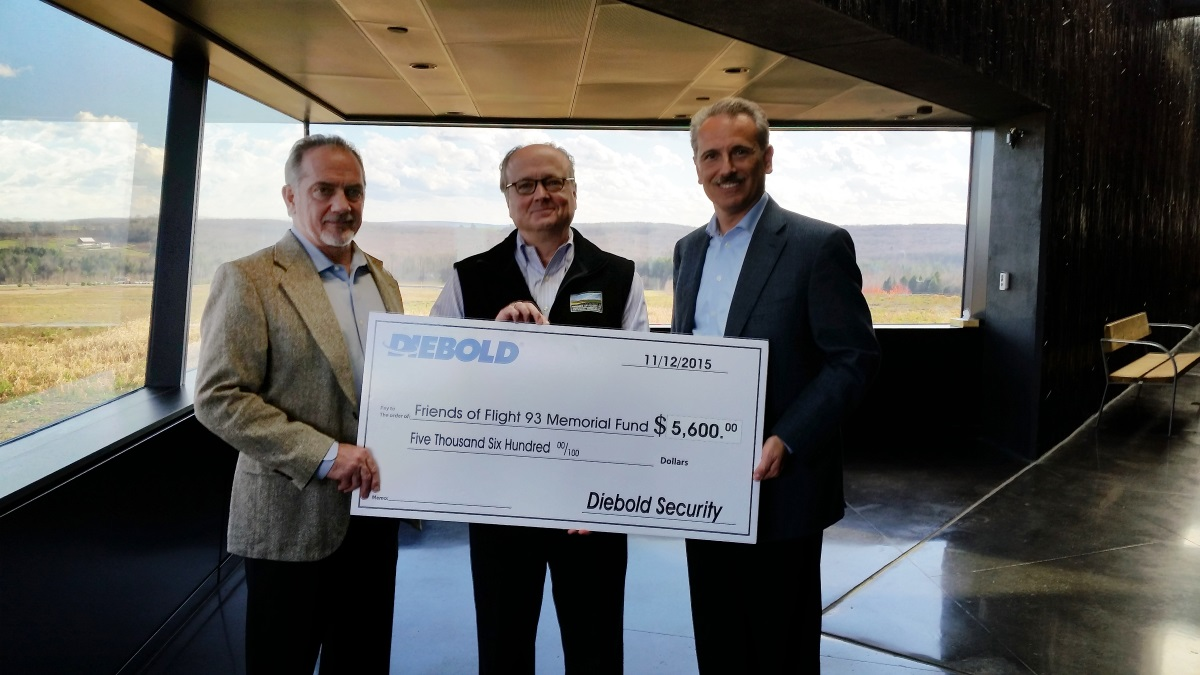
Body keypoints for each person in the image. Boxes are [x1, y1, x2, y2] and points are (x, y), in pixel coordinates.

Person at [672, 98, 880, 673]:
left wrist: (787, 438)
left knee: (780, 650)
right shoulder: (689, 251)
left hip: (782, 483)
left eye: (740, 152)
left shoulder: (818, 245)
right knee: (718, 643)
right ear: (697, 167)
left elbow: (853, 358)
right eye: (711, 155)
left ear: (766, 158)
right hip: (705, 486)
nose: (726, 168)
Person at [430, 142, 649, 674]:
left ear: (574, 190)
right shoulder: (469, 277)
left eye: (553, 181)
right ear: (507, 198)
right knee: (503, 647)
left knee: (596, 649)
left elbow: (638, 393)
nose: (541, 194)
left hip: (589, 506)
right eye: (524, 185)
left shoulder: (619, 276)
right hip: (499, 500)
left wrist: (605, 488)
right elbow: (436, 382)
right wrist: (488, 342)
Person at [194, 134, 404, 675]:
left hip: (373, 517)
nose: (341, 204)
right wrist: (327, 456)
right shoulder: (250, 279)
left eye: (353, 191)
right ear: (290, 197)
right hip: (290, 520)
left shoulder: (383, 280)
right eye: (323, 190)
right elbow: (219, 398)